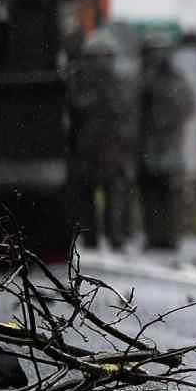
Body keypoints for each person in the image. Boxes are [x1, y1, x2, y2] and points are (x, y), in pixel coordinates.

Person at [67, 31, 139, 250]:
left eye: (105, 57)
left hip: (113, 147)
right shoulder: (79, 81)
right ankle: (91, 238)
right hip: (87, 147)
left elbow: (128, 111)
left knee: (115, 193)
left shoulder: (120, 83)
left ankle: (115, 236)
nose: (101, 62)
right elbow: (77, 107)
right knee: (86, 194)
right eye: (96, 57)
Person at [137, 38, 196, 249]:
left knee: (167, 195)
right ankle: (155, 236)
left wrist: (166, 119)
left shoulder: (174, 81)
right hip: (149, 146)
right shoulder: (144, 79)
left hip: (168, 146)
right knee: (151, 194)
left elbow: (187, 107)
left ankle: (168, 236)